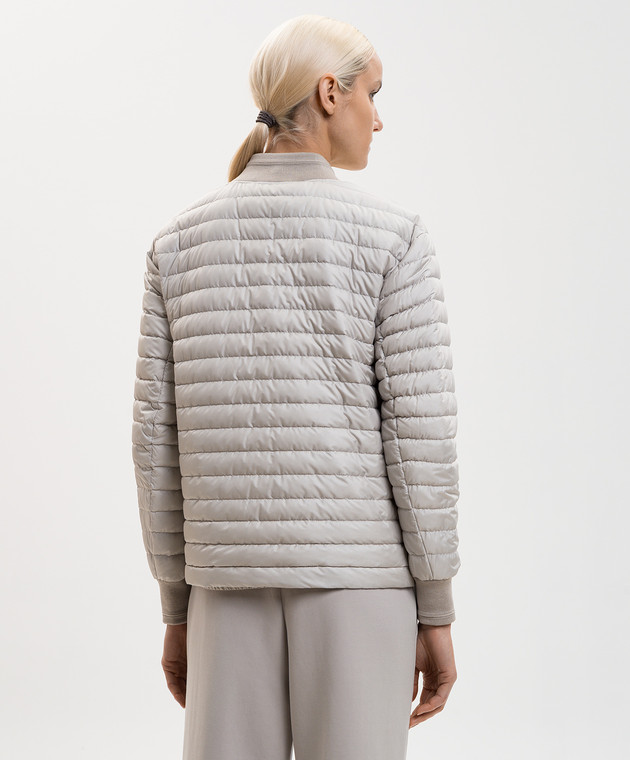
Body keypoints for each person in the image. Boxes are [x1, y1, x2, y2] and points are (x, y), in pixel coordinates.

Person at [131, 13, 461, 760]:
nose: (380, 118)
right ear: (329, 93)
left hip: (223, 585)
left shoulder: (176, 245)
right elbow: (421, 441)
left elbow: (156, 448)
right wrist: (436, 606)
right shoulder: (395, 239)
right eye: (374, 94)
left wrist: (177, 605)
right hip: (360, 586)